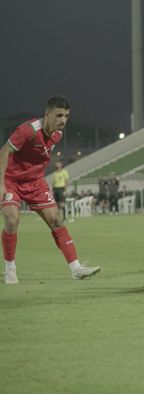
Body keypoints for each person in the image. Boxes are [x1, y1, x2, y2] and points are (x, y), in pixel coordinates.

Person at [0, 96, 100, 284]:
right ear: (47, 114)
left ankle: (76, 268)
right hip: (12, 180)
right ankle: (10, 268)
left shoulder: (57, 135)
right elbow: (4, 151)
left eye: (66, 116)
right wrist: (1, 183)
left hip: (36, 183)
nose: (63, 120)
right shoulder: (27, 130)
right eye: (59, 115)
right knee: (12, 220)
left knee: (56, 220)